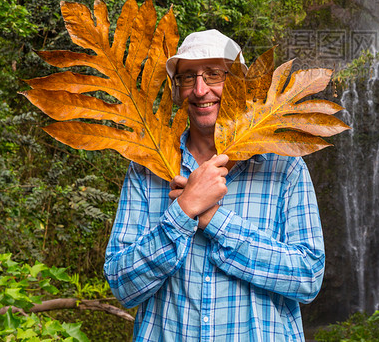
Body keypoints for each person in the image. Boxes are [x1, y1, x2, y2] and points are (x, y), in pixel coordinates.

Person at [104, 30, 325, 341]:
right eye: (187, 77)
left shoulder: (284, 166)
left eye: (214, 74)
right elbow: (121, 284)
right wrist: (182, 212)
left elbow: (308, 276)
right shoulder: (145, 168)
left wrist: (214, 220)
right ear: (176, 89)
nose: (200, 89)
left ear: (240, 85)